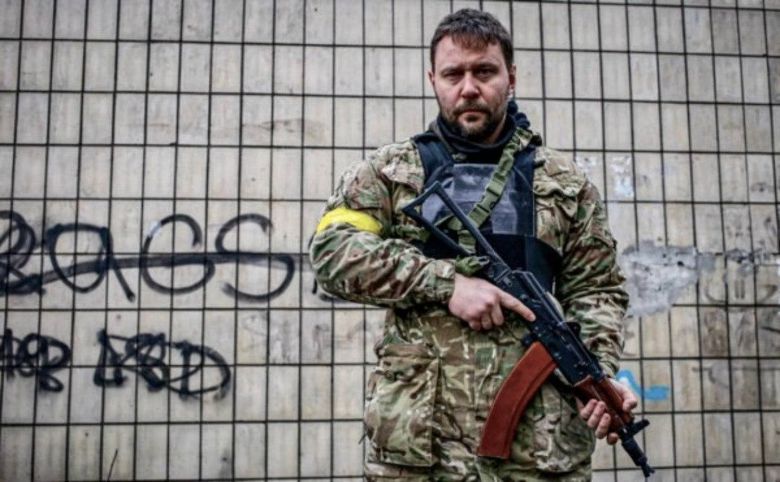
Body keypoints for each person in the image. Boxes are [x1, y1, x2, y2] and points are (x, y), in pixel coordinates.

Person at [310, 8, 636, 481]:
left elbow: (597, 290)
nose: (468, 88)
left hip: (540, 451)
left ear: (511, 77)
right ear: (433, 80)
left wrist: (595, 372)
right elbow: (332, 253)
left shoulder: (564, 183)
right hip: (420, 448)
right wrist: (447, 284)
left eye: (484, 71)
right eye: (453, 74)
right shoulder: (390, 173)